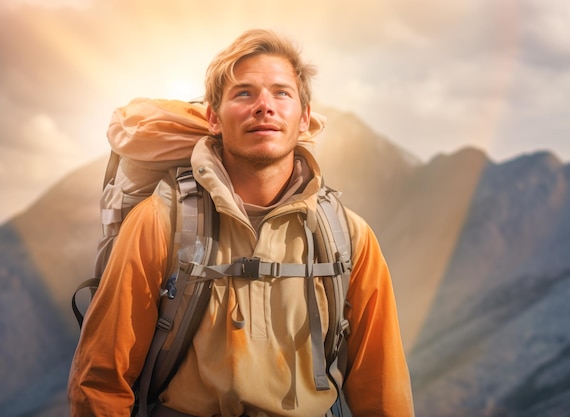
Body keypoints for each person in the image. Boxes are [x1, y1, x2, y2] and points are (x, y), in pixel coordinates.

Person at [68, 29, 415, 417]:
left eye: (281, 93)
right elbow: (101, 381)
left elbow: (383, 391)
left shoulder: (348, 237)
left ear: (305, 120)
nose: (264, 106)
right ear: (213, 119)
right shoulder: (159, 222)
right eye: (244, 93)